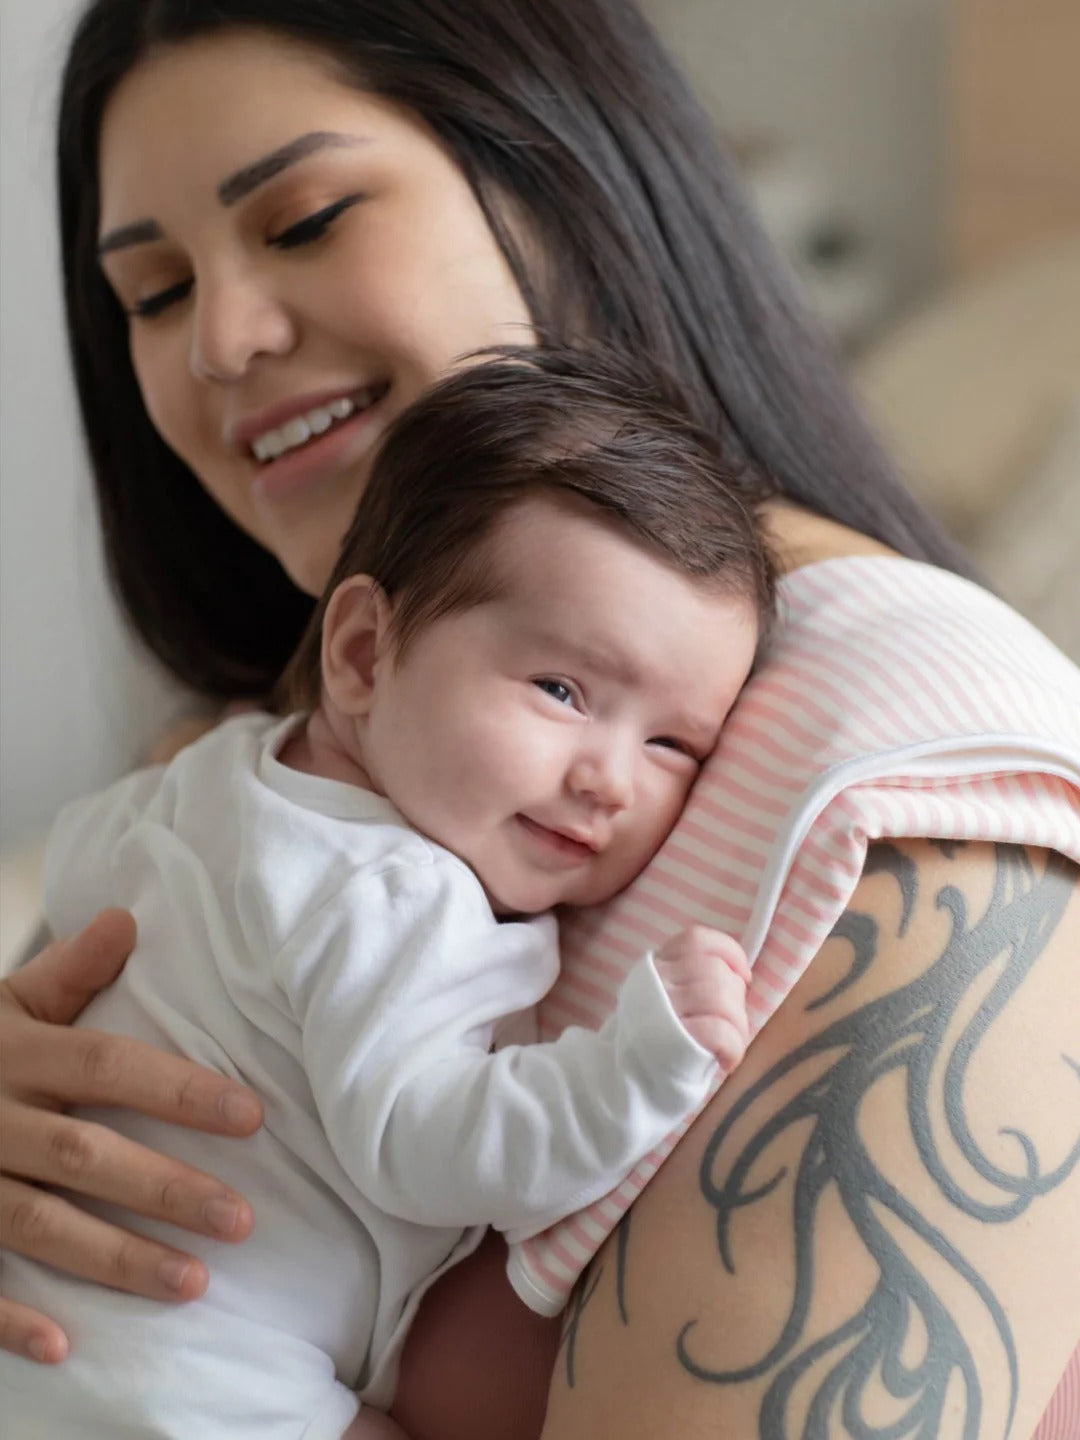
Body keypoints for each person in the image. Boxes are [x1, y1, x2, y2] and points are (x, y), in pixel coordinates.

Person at [1, 2, 1077, 1437]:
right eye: (153, 293)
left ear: (567, 177)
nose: (220, 340)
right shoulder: (267, 751)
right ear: (369, 647)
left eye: (307, 219)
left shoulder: (925, 803)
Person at [1, 349, 772, 1439]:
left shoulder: (216, 771)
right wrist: (635, 1067)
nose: (608, 778)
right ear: (363, 653)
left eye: (672, 745)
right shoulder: (399, 895)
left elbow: (82, 871)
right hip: (191, 1379)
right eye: (561, 689)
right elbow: (427, 1143)